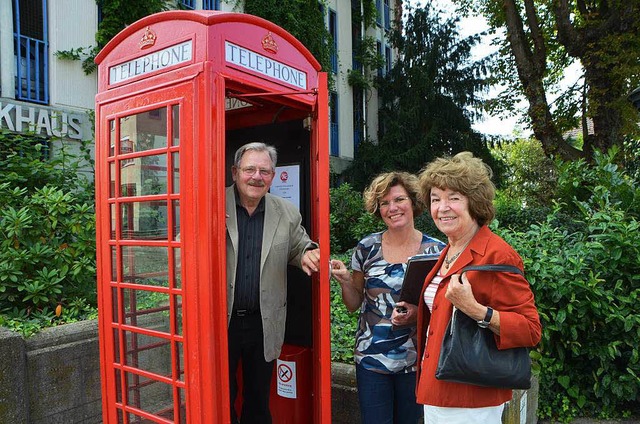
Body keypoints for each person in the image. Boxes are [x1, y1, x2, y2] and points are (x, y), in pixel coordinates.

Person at [392, 152, 541, 423]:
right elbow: (446, 312)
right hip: (436, 385)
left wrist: (475, 309)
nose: (442, 207)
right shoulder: (449, 250)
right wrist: (416, 314)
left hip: (471, 395)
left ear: (475, 202)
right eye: (436, 199)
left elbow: (531, 330)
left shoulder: (497, 254)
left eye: (454, 198)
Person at [330, 171, 445, 424]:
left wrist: (418, 314)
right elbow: (353, 304)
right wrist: (346, 282)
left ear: (413, 202)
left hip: (416, 361)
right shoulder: (366, 248)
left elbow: (444, 308)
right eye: (384, 203)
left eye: (399, 199)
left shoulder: (438, 251)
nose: (392, 208)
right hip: (372, 360)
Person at [226, 142, 321, 424]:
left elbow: (300, 246)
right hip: (220, 321)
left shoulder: (287, 213)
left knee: (258, 400)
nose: (257, 176)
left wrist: (308, 254)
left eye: (265, 171)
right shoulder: (212, 204)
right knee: (222, 397)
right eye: (250, 169)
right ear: (235, 172)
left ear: (272, 175)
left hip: (264, 323)